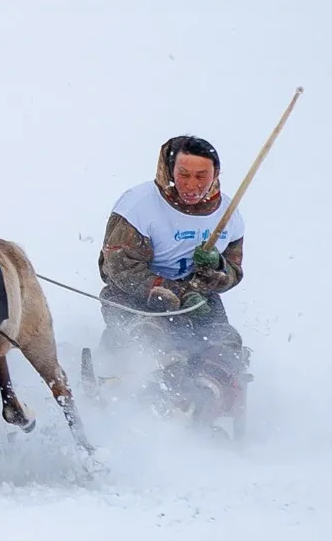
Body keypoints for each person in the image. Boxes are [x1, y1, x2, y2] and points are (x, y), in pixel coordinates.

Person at [98, 135, 248, 414]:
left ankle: (203, 405)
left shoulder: (228, 214)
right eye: (184, 174)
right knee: (149, 337)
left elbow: (233, 271)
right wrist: (176, 295)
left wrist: (215, 268)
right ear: (170, 171)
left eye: (201, 176)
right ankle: (141, 394)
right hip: (135, 297)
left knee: (225, 345)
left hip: (201, 300)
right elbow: (118, 268)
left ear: (215, 175)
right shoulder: (138, 207)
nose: (192, 185)